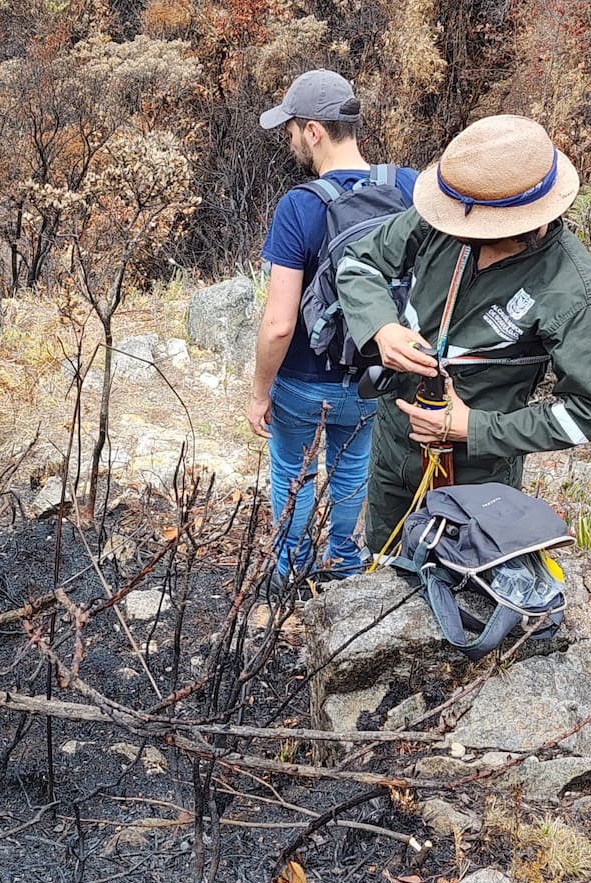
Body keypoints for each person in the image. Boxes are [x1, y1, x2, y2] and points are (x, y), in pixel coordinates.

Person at [334, 114, 591, 554]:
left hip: (475, 475)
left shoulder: (575, 294)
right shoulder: (449, 214)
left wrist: (475, 427)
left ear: (527, 219)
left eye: (483, 231)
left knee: (456, 585)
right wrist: (382, 328)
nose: (462, 235)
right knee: (385, 562)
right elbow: (360, 263)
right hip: (396, 443)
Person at [246, 70, 418, 584]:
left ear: (314, 131)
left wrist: (259, 393)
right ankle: (343, 565)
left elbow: (279, 324)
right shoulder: (407, 187)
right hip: (374, 374)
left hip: (303, 380)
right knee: (351, 469)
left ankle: (289, 576)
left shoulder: (299, 206)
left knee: (292, 476)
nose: (290, 140)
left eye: (293, 129)